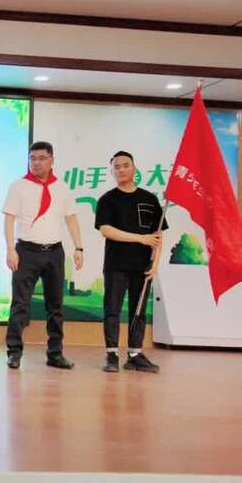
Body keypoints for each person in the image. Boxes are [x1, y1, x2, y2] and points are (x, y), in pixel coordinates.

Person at [2, 141, 84, 370]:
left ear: (52, 160)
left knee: (55, 306)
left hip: (54, 253)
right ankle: (14, 352)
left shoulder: (62, 188)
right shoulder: (18, 186)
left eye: (41, 158)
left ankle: (55, 353)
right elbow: (9, 219)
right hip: (26, 252)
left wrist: (79, 248)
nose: (36, 163)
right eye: (32, 158)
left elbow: (71, 219)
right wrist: (10, 249)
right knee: (20, 304)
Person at [96, 151, 167, 373]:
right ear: (112, 172)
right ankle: (111, 355)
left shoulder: (149, 199)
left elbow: (158, 235)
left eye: (125, 165)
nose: (121, 170)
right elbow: (106, 230)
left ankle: (135, 355)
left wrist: (155, 263)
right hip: (116, 265)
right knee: (112, 310)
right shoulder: (107, 199)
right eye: (116, 167)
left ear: (134, 168)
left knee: (138, 310)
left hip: (143, 266)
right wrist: (140, 238)